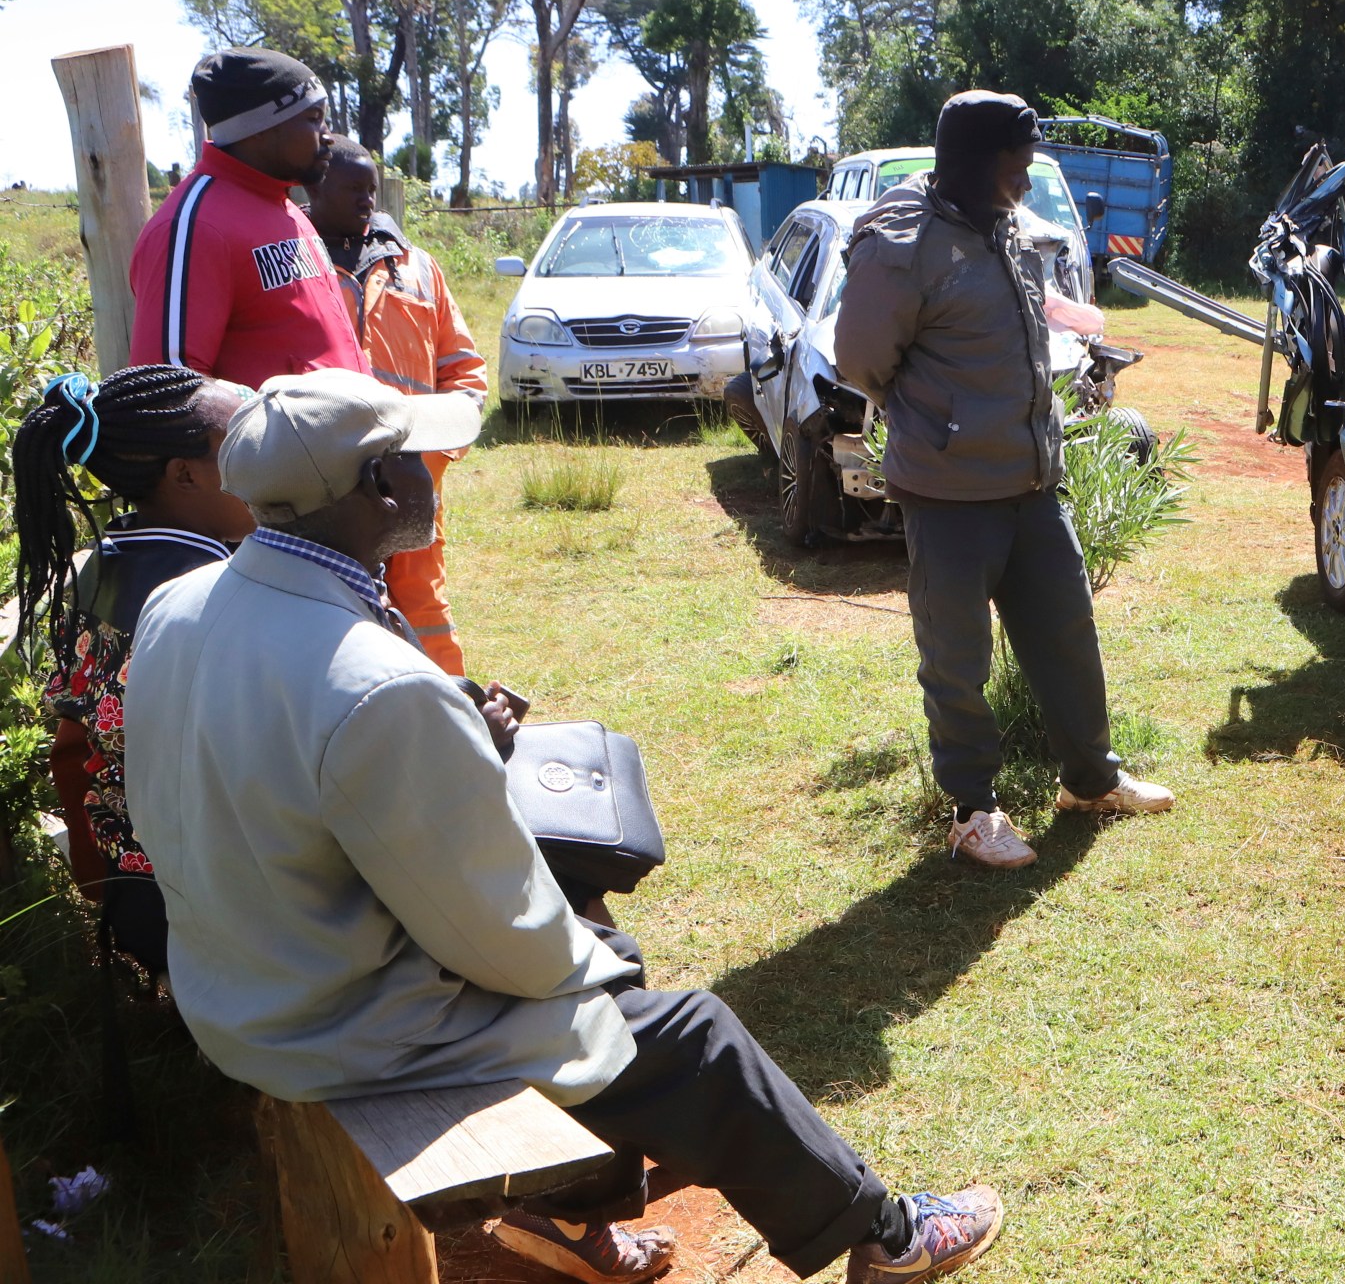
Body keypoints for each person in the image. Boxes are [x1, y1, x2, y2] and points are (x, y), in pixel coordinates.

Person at [121, 370, 1005, 1284]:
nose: (436, 473)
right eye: (420, 459)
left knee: (588, 933)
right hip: (342, 1026)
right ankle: (888, 1238)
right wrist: (594, 964)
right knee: (685, 1032)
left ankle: (573, 1218)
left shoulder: (180, 602)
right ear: (381, 490)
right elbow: (494, 932)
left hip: (239, 984)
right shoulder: (378, 686)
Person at [834, 91, 1175, 870]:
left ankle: (1091, 782)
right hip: (949, 491)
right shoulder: (904, 241)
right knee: (956, 657)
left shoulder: (1008, 227)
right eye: (1019, 161)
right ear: (982, 162)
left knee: (1067, 633)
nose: (1028, 175)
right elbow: (860, 358)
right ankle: (972, 812)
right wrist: (935, 417)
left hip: (1029, 479)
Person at [8, 365, 255, 977]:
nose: (272, 452)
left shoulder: (103, 564)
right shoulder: (216, 595)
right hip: (214, 915)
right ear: (186, 474)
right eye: (247, 438)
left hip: (132, 896)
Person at [303, 134, 486, 674]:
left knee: (423, 600)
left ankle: (452, 715)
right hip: (325, 483)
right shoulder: (291, 263)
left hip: (411, 475)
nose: (367, 200)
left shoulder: (419, 267)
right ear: (314, 188)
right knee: (333, 605)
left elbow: (464, 370)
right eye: (353, 188)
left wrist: (435, 454)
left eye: (372, 189)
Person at [128, 48, 365, 387]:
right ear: (260, 128)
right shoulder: (194, 227)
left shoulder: (285, 208)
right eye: (313, 118)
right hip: (274, 443)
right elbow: (167, 390)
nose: (328, 135)